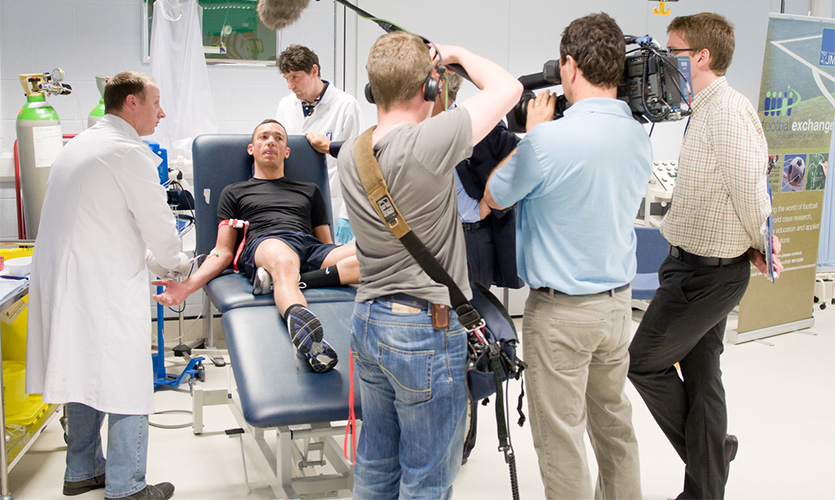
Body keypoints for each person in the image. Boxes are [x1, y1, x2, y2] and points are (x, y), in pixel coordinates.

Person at [338, 31, 521, 498]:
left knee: (376, 465)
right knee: (427, 478)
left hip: (369, 321)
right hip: (423, 331)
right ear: (430, 89)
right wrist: (457, 52)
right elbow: (508, 90)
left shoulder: (350, 153)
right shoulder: (428, 142)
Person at [485, 13, 650, 499]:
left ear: (569, 66)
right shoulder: (637, 135)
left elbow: (495, 193)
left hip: (561, 314)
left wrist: (532, 135)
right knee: (614, 427)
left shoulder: (548, 141)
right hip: (617, 307)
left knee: (561, 440)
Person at [627, 13, 783, 500]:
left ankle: (710, 454)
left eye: (674, 51)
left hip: (707, 274)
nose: (665, 61)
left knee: (643, 362)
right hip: (693, 263)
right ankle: (706, 485)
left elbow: (749, 189)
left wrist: (762, 241)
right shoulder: (704, 107)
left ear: (701, 56)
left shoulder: (730, 111)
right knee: (702, 375)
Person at [26, 71, 187, 500]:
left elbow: (112, 221)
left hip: (74, 280)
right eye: (156, 103)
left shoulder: (81, 144)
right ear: (131, 103)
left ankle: (81, 471)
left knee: (84, 373)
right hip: (101, 284)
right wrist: (179, 267)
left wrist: (158, 259)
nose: (162, 112)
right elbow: (159, 228)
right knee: (126, 381)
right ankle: (127, 486)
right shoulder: (124, 152)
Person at [153, 119, 360, 373]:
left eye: (278, 138)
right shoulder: (234, 192)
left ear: (287, 152)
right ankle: (311, 342)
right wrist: (187, 286)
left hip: (310, 248)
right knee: (284, 261)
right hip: (266, 243)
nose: (270, 141)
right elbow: (223, 250)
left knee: (377, 257)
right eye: (263, 137)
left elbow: (326, 244)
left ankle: (297, 279)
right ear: (251, 149)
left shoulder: (310, 190)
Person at [430, 71, 523, 462]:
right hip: (426, 245)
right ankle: (432, 430)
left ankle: (461, 444)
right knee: (429, 343)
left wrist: (487, 204)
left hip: (470, 240)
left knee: (467, 344)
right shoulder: (406, 129)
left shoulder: (478, 126)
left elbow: (517, 159)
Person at [276, 44, 361, 244]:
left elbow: (356, 162)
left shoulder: (346, 106)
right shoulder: (286, 106)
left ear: (314, 71)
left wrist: (348, 214)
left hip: (333, 202)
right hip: (295, 205)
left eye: (295, 77)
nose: (290, 85)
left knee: (331, 266)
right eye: (286, 79)